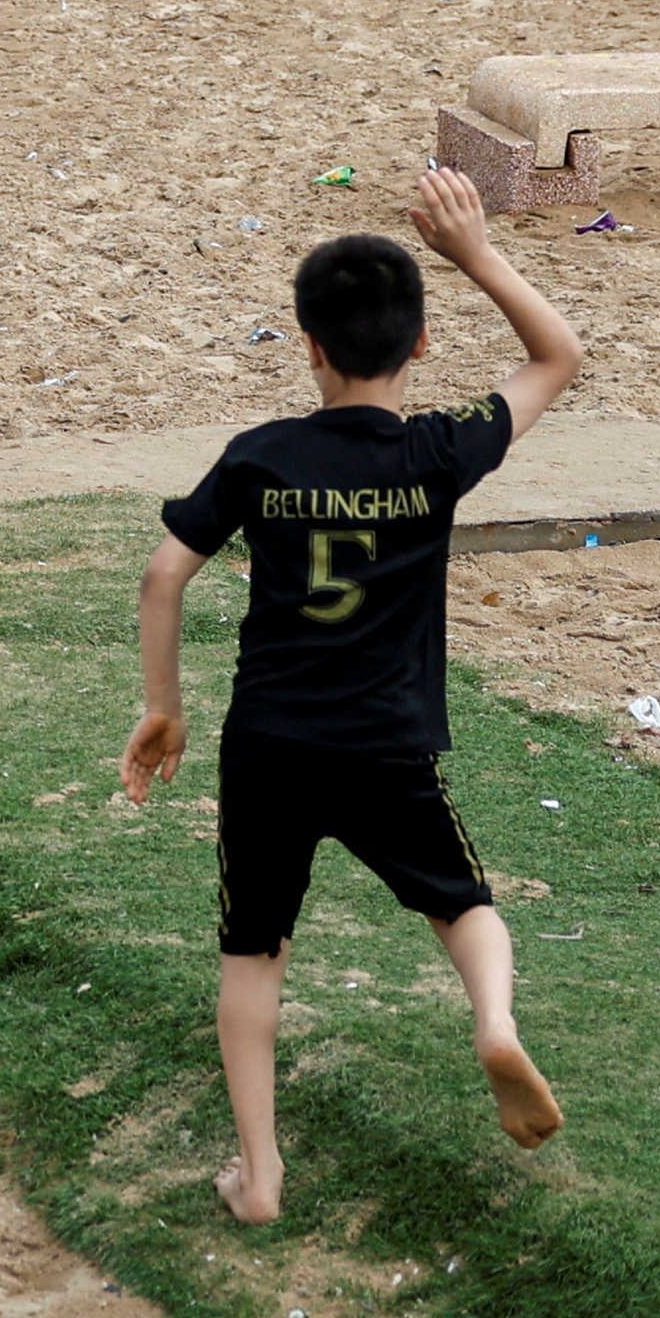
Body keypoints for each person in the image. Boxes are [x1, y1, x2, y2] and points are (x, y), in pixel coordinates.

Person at [122, 163, 586, 1223]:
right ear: (420, 345)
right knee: (463, 907)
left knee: (254, 952)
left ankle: (261, 1175)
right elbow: (559, 354)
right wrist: (473, 255)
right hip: (386, 742)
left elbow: (162, 574)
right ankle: (494, 1023)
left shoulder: (261, 457)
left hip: (271, 743)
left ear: (310, 344)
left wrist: (165, 705)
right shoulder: (438, 451)